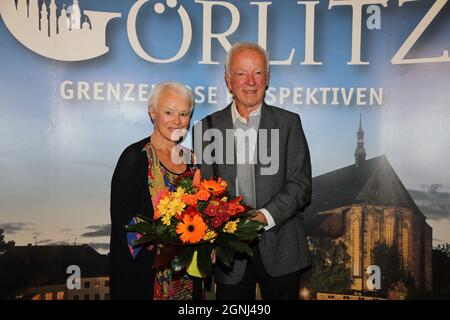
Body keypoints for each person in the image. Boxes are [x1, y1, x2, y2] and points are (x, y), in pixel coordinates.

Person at [194, 42, 312, 300]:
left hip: (282, 248)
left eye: (257, 72)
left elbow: (300, 184)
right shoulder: (205, 128)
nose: (250, 82)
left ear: (267, 79)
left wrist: (262, 218)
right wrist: (211, 237)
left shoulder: (289, 123)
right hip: (229, 255)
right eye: (241, 73)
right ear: (228, 80)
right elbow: (203, 192)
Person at [110, 81, 203, 300]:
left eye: (184, 114)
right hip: (144, 277)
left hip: (186, 277)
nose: (177, 121)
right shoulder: (135, 157)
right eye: (168, 112)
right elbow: (123, 223)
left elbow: (201, 215)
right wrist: (163, 240)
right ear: (152, 112)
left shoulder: (192, 160)